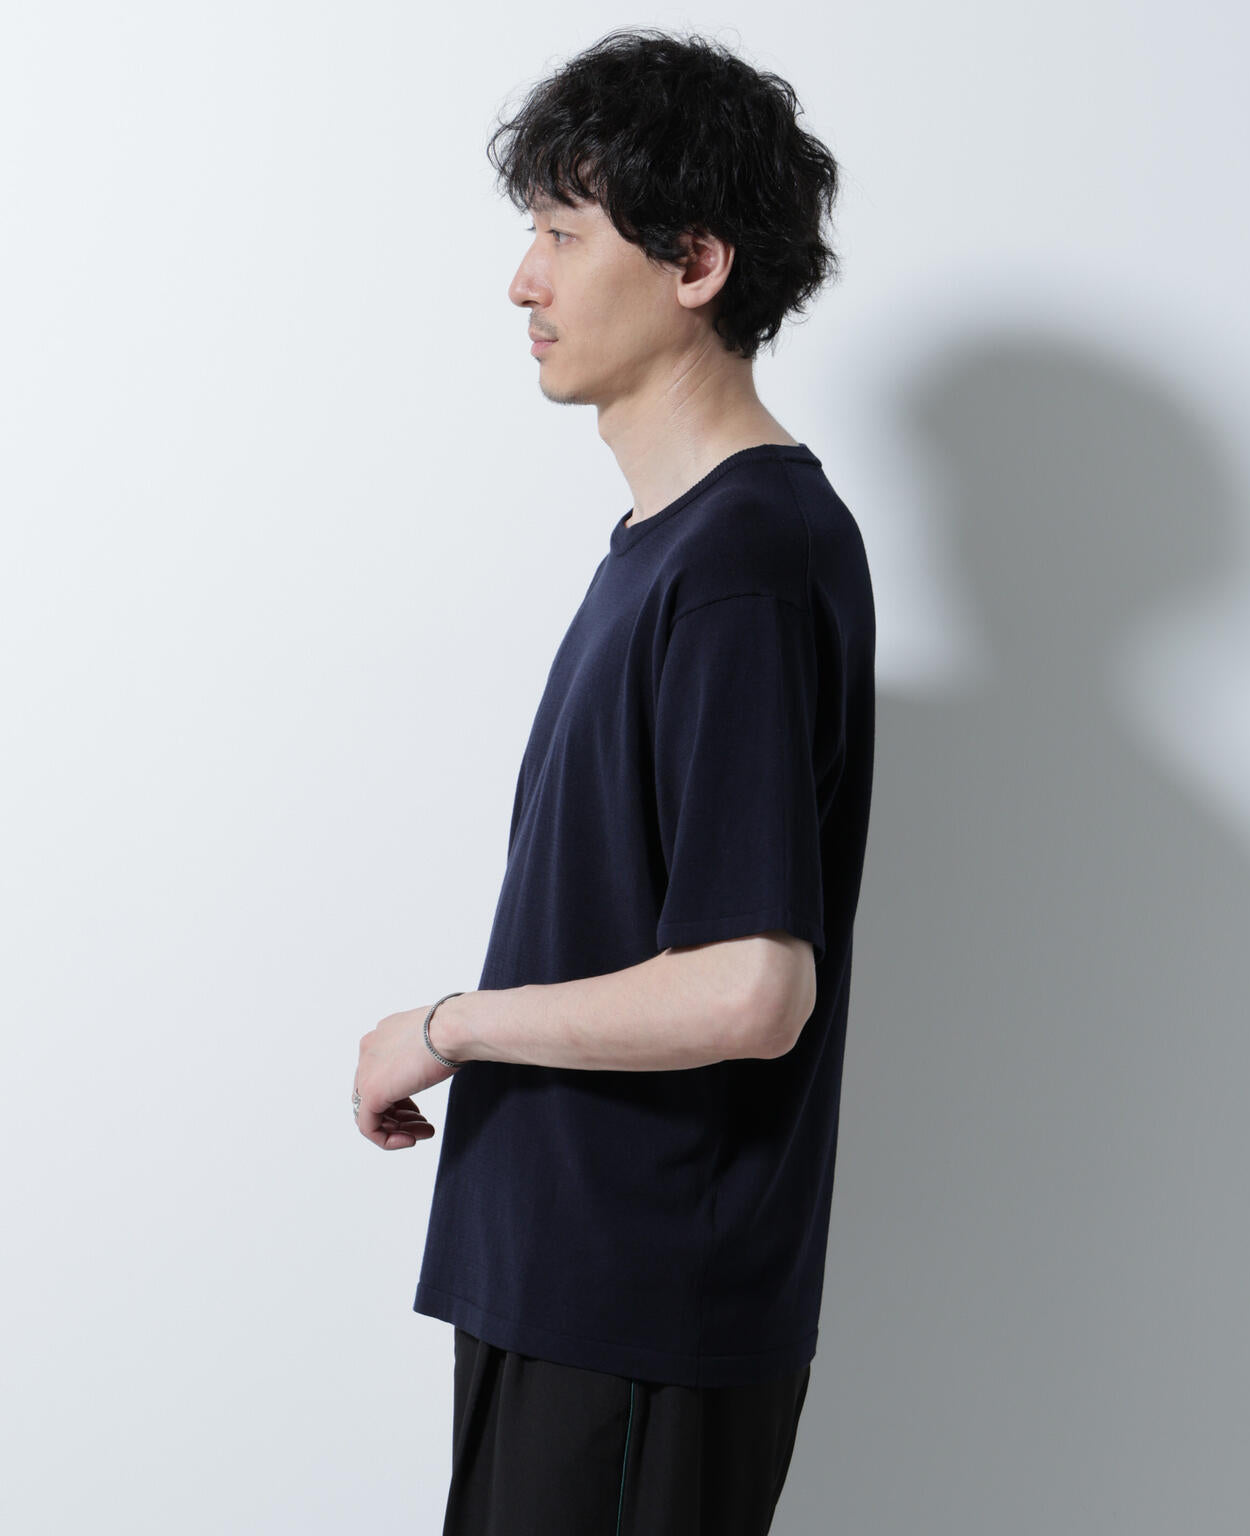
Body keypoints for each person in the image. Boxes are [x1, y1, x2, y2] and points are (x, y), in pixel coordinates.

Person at [352, 26, 876, 1536]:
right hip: (570, 1284)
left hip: (640, 1304)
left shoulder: (744, 563)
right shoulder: (673, 548)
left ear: (695, 262)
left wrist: (446, 1028)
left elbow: (750, 990)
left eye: (564, 234)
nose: (524, 283)